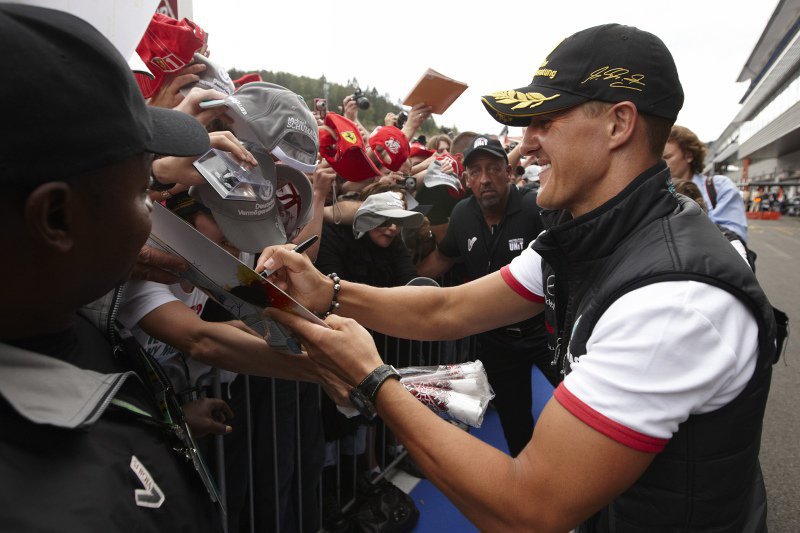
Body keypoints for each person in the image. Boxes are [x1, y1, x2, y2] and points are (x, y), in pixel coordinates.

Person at [259, 23, 778, 532]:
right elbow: (448, 308)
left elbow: (529, 510)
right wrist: (329, 291)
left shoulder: (673, 300)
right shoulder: (582, 236)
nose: (525, 146)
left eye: (544, 121)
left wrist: (372, 379)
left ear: (619, 124)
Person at [0, 5, 221, 531]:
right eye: (145, 192)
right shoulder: (62, 512)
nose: (154, 212)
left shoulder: (60, 322)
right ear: (57, 217)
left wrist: (160, 425)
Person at [417, 135, 558, 457]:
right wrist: (398, 284)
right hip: (496, 341)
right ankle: (528, 475)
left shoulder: (535, 207)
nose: (485, 179)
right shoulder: (463, 214)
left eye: (493, 169)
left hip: (546, 334)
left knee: (584, 404)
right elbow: (442, 258)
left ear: (508, 172)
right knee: (514, 420)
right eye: (476, 171)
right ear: (467, 180)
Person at [663, 125, 749, 242]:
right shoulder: (657, 191)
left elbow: (734, 238)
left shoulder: (720, 187)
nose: (661, 163)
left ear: (688, 155)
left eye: (667, 157)